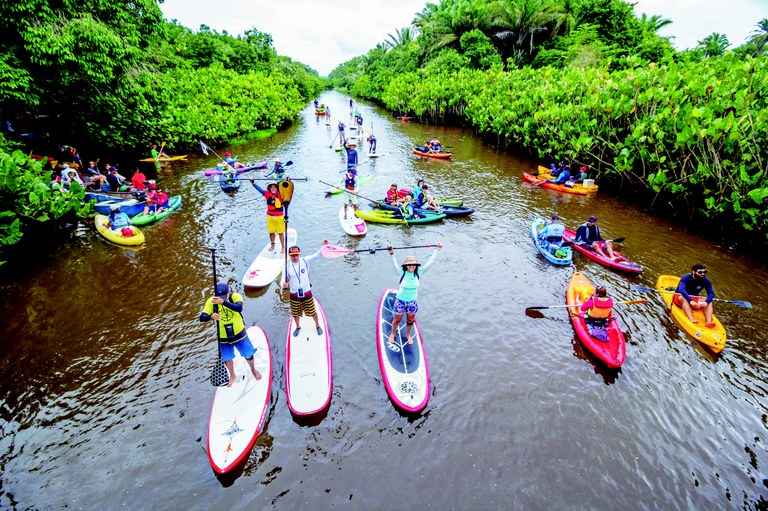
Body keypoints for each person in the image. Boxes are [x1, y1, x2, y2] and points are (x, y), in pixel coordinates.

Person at [200, 283, 262, 386]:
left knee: (248, 354)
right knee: (227, 358)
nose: (221, 299)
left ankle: (253, 370)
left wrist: (223, 302)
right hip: (223, 336)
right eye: (220, 297)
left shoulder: (235, 296)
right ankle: (232, 375)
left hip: (239, 333)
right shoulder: (212, 301)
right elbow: (202, 317)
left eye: (224, 296)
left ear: (229, 292)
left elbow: (239, 308)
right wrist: (211, 316)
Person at [387, 243, 442, 345]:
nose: (411, 266)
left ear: (416, 266)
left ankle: (408, 335)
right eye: (409, 264)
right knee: (397, 319)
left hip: (412, 302)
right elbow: (394, 265)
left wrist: (437, 250)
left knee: (410, 319)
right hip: (401, 301)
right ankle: (392, 334)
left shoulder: (419, 272)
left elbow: (431, 262)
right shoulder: (401, 273)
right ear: (406, 266)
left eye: (413, 264)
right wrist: (392, 254)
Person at [283, 243, 328, 336]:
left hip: (307, 293)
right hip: (294, 294)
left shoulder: (305, 261)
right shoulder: (286, 267)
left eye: (297, 255)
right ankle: (298, 326)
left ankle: (317, 325)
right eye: (293, 255)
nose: (295, 257)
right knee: (295, 314)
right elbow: (283, 282)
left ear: (299, 254)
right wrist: (284, 285)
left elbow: (317, 255)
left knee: (312, 311)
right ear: (289, 255)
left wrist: (323, 246)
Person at [249, 179, 286, 253]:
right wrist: (253, 183)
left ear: (277, 188)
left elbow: (286, 188)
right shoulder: (267, 194)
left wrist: (288, 180)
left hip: (279, 217)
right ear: (269, 188)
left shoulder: (281, 194)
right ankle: (272, 245)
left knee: (280, 233)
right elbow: (259, 189)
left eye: (275, 187)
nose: (273, 188)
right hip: (270, 216)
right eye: (271, 187)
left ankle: (283, 247)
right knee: (271, 232)